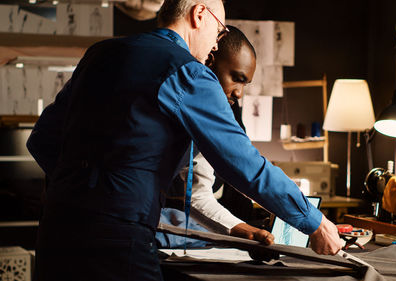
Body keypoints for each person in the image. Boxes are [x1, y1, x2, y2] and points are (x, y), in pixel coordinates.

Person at [27, 0, 342, 280]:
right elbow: (243, 164)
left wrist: (82, 190)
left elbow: (42, 139)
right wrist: (314, 222)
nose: (216, 47)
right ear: (199, 14)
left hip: (55, 231)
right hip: (117, 240)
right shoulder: (187, 72)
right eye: (218, 32)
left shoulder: (100, 54)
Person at [156, 25, 272, 248]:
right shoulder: (171, 93)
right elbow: (252, 171)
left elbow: (199, 195)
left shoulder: (225, 108)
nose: (239, 93)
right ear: (208, 62)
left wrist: (243, 230)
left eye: (245, 83)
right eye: (236, 78)